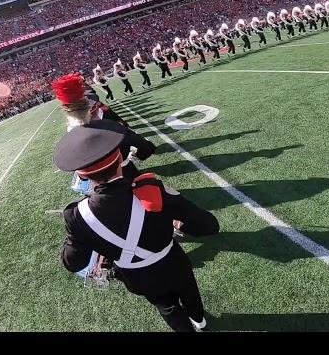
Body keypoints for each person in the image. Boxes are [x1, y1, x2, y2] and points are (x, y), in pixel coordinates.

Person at [55, 121, 220, 332]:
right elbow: (209, 225)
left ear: (81, 176)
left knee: (166, 306)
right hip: (173, 262)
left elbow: (73, 263)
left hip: (138, 277)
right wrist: (178, 217)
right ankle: (199, 320)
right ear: (121, 160)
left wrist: (76, 231)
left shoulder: (76, 216)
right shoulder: (153, 191)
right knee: (188, 290)